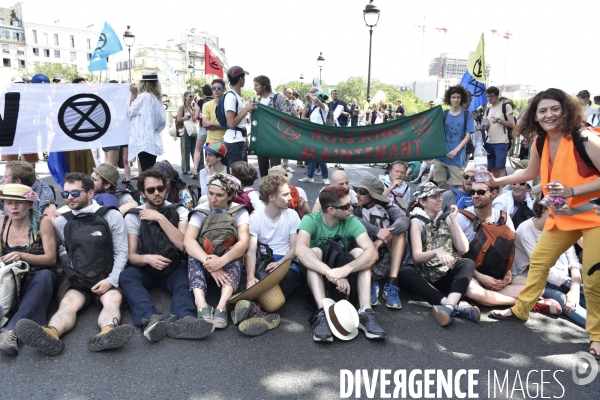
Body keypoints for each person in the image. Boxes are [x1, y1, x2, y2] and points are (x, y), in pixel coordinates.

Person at [486, 88, 600, 359]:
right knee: (539, 263)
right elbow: (530, 173)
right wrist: (496, 181)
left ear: (566, 110)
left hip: (594, 216)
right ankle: (520, 310)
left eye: (554, 109)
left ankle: (597, 336)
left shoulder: (584, 137)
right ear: (534, 116)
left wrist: (572, 191)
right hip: (562, 214)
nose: (549, 115)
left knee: (594, 280)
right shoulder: (541, 141)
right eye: (542, 110)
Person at [16, 173, 132, 356]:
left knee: (112, 300)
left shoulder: (111, 215)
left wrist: (111, 280)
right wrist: (72, 276)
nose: (69, 197)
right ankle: (50, 334)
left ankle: (107, 333)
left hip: (106, 275)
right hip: (76, 278)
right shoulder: (62, 221)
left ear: (91, 193)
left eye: (75, 193)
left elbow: (121, 252)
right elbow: (63, 253)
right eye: (65, 194)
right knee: (68, 303)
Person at [119, 169, 213, 342]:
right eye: (150, 190)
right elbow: (131, 256)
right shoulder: (133, 216)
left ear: (166, 188)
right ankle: (150, 319)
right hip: (146, 267)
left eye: (160, 188)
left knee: (186, 278)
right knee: (127, 276)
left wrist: (160, 218)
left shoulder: (179, 210)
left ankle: (186, 319)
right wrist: (148, 258)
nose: (157, 193)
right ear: (142, 193)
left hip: (173, 265)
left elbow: (183, 244)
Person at [296, 185, 386, 342]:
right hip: (318, 279)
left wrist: (345, 270)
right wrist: (332, 274)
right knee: (314, 251)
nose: (351, 208)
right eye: (346, 206)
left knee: (360, 253)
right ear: (331, 210)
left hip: (344, 277)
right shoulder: (310, 220)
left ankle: (365, 311)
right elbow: (300, 251)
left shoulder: (351, 221)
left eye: (350, 204)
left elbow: (372, 253)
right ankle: (322, 312)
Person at [399, 183, 480, 327]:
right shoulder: (417, 221)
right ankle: (452, 304)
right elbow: (417, 257)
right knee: (405, 272)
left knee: (467, 263)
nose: (440, 199)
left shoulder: (445, 218)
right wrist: (436, 251)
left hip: (445, 272)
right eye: (434, 197)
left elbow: (463, 247)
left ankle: (447, 308)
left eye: (440, 196)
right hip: (425, 274)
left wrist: (454, 219)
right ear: (423, 202)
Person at [184, 174, 250, 329]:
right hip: (205, 258)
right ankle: (200, 302)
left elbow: (243, 242)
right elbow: (188, 241)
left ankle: (223, 304)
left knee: (235, 249)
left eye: (219, 195)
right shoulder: (201, 210)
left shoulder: (239, 211)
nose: (213, 199)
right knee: (193, 253)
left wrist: (221, 261)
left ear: (230, 196)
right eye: (210, 193)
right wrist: (210, 264)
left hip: (226, 259)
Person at [239, 174, 302, 335]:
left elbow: (295, 248)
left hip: (286, 260)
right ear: (271, 197)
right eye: (285, 194)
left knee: (288, 278)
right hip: (264, 261)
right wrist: (250, 277)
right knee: (256, 282)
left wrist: (280, 265)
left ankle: (254, 309)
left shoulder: (292, 215)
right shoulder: (256, 218)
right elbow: (251, 250)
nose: (290, 197)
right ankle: (261, 311)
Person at [0, 184, 58, 356]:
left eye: (19, 203)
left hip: (37, 277)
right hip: (11, 278)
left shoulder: (43, 222)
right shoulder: (1, 223)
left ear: (30, 204)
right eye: (8, 203)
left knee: (46, 275)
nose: (14, 207)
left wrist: (22, 256)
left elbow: (51, 259)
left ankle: (12, 331)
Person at [513, 197, 585, 326]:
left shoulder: (561, 226)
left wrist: (574, 287)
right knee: (569, 304)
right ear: (543, 208)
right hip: (541, 281)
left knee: (591, 300)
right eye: (556, 212)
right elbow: (541, 267)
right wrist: (572, 286)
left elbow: (573, 260)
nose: (560, 217)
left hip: (565, 278)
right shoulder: (525, 230)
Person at [352, 175, 409, 309]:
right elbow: (351, 221)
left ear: (373, 195)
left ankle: (392, 283)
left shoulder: (387, 208)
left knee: (400, 233)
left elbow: (405, 221)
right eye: (357, 191)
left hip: (386, 258)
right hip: (363, 258)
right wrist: (376, 232)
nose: (357, 194)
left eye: (362, 191)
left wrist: (381, 239)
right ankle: (370, 280)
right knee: (355, 231)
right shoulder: (353, 208)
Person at [434, 85, 475, 189]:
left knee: (456, 186)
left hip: (457, 156)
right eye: (453, 97)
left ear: (462, 99)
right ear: (449, 98)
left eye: (458, 97)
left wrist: (456, 150)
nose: (456, 100)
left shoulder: (467, 115)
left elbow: (468, 136)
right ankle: (441, 205)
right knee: (441, 185)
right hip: (441, 155)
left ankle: (452, 205)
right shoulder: (444, 114)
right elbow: (436, 133)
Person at [128, 71, 166, 171]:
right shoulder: (157, 98)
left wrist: (134, 94)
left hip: (143, 139)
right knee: (150, 168)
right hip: (153, 138)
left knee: (147, 171)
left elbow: (130, 111)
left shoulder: (144, 97)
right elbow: (162, 120)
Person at [476, 86, 515, 178]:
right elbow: (486, 125)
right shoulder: (488, 109)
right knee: (492, 168)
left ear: (497, 96)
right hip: (489, 141)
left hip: (501, 142)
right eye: (487, 96)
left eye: (492, 96)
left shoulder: (505, 106)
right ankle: (495, 189)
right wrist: (482, 127)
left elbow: (512, 124)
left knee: (500, 168)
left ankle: (502, 190)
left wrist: (499, 121)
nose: (489, 98)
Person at [254, 75, 288, 177]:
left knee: (275, 170)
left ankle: (276, 191)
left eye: (256, 85)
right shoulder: (258, 101)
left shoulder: (277, 98)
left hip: (274, 138)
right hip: (261, 139)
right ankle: (265, 191)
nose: (254, 87)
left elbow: (286, 115)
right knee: (263, 169)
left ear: (264, 86)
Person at [223, 66, 256, 166]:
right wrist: (246, 109)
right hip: (234, 142)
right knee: (237, 177)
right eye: (244, 77)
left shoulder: (234, 95)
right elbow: (231, 123)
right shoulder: (231, 97)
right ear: (241, 79)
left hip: (237, 140)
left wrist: (245, 140)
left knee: (240, 176)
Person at [299, 88, 331, 185]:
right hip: (312, 134)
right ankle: (310, 176)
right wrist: (307, 99)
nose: (311, 95)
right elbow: (303, 115)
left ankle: (325, 177)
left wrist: (313, 96)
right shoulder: (313, 108)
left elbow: (317, 101)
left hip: (321, 134)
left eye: (313, 93)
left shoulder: (324, 106)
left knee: (321, 156)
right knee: (310, 156)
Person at [192, 84, 214, 179]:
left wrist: (193, 117)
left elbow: (196, 117)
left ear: (203, 92)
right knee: (210, 151)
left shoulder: (200, 101)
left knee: (197, 149)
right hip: (213, 128)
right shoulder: (214, 101)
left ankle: (195, 170)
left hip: (203, 128)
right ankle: (209, 169)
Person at [177, 91, 197, 175]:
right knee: (185, 149)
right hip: (185, 129)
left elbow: (194, 119)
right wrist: (188, 116)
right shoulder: (182, 107)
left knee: (194, 148)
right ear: (185, 98)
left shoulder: (192, 107)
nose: (191, 98)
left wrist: (193, 115)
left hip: (192, 128)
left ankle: (196, 168)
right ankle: (186, 168)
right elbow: (179, 118)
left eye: (192, 97)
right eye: (190, 96)